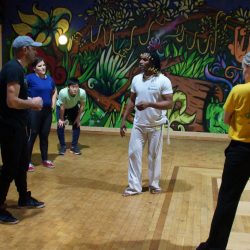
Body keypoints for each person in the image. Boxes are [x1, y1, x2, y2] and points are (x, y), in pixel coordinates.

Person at [197, 52, 250, 250]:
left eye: (244, 68)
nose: (243, 72)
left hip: (240, 151)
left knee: (227, 201)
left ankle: (214, 247)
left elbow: (226, 119)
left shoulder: (238, 90)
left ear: (247, 68)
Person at [0, 36, 45, 224]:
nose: (36, 51)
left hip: (18, 127)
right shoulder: (13, 69)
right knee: (9, 167)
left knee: (21, 164)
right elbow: (11, 101)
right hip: (10, 128)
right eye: (33, 48)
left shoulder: (19, 70)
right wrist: (33, 103)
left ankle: (23, 197)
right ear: (25, 49)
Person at [120, 51, 173, 196]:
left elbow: (169, 103)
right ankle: (134, 187)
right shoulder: (136, 79)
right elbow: (132, 100)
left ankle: (154, 185)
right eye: (140, 59)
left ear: (153, 62)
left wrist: (150, 104)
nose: (141, 62)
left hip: (156, 125)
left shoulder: (163, 80)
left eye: (144, 60)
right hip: (138, 125)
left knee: (154, 156)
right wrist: (124, 119)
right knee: (133, 154)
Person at [26, 57, 57, 171]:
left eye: (43, 65)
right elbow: (20, 91)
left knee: (44, 135)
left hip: (47, 112)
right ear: (34, 68)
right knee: (32, 135)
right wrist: (30, 100)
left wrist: (53, 104)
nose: (43, 67)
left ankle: (45, 159)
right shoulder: (29, 78)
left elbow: (54, 91)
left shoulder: (50, 79)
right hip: (34, 111)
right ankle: (27, 161)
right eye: (39, 66)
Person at [56, 77, 86, 155]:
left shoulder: (82, 92)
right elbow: (62, 107)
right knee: (60, 125)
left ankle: (74, 146)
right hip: (62, 108)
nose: (75, 89)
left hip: (73, 107)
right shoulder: (63, 92)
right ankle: (62, 146)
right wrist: (61, 119)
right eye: (73, 87)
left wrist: (78, 118)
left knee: (76, 124)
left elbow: (82, 106)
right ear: (68, 87)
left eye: (77, 87)